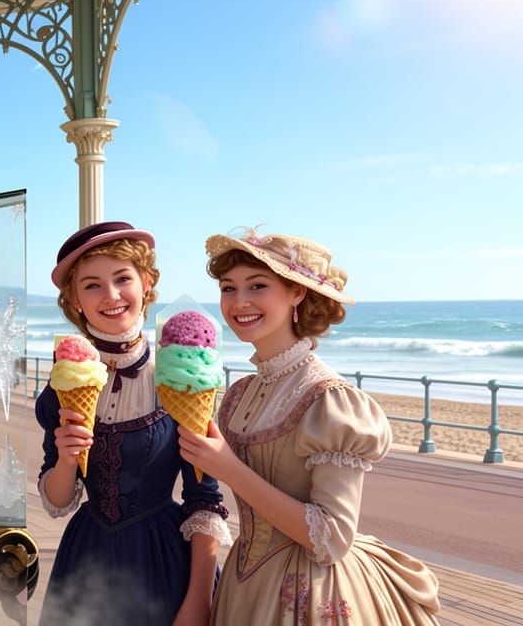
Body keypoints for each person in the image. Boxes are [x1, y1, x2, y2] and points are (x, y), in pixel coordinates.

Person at [178, 227, 440, 625]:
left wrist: (229, 469)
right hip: (241, 587)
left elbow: (332, 539)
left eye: (257, 286)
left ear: (297, 293)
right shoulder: (238, 394)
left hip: (310, 594)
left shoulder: (331, 400)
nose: (239, 302)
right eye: (228, 288)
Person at [36, 221, 229, 626]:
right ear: (74, 299)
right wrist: (68, 458)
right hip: (86, 559)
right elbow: (56, 501)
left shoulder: (178, 378)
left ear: (146, 283)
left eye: (122, 278)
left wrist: (199, 600)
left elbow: (204, 499)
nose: (110, 295)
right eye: (91, 285)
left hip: (163, 560)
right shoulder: (62, 387)